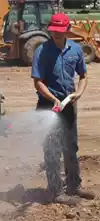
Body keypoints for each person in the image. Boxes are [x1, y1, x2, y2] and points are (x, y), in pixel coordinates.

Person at [31, 12, 95, 205]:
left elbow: (83, 75)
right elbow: (38, 82)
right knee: (52, 149)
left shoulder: (75, 50)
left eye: (60, 31)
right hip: (47, 105)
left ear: (67, 30)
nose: (57, 34)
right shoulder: (42, 51)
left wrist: (79, 93)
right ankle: (56, 191)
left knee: (71, 147)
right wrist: (52, 99)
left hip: (68, 105)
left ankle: (74, 186)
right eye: (54, 31)